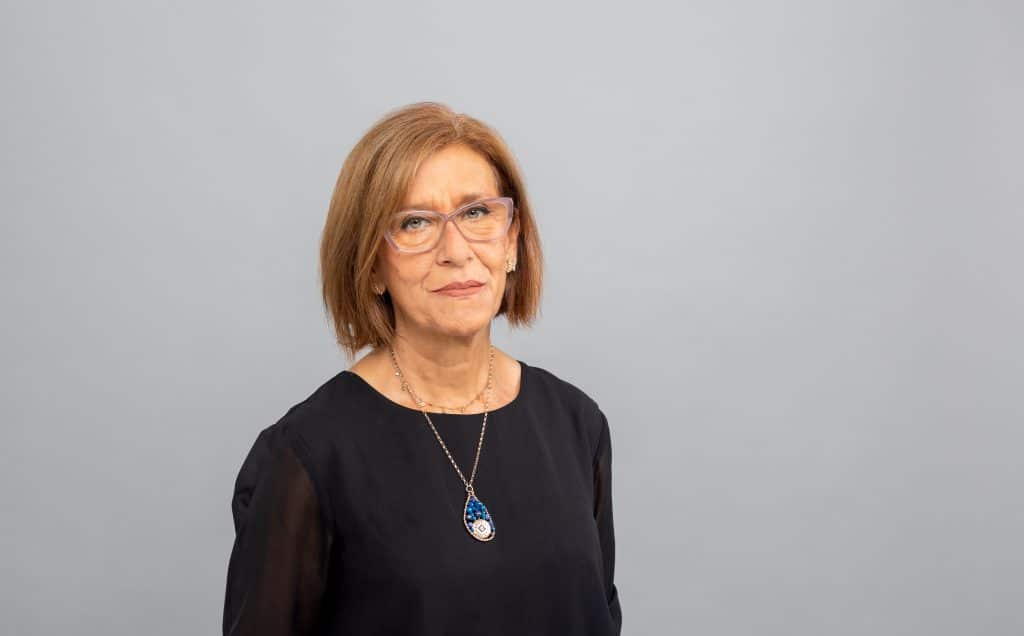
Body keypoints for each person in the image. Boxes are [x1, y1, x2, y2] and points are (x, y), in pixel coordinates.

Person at [222, 102, 622, 635]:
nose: (456, 251)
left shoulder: (576, 424)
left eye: (477, 213)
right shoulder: (308, 455)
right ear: (371, 266)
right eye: (415, 223)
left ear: (511, 241)